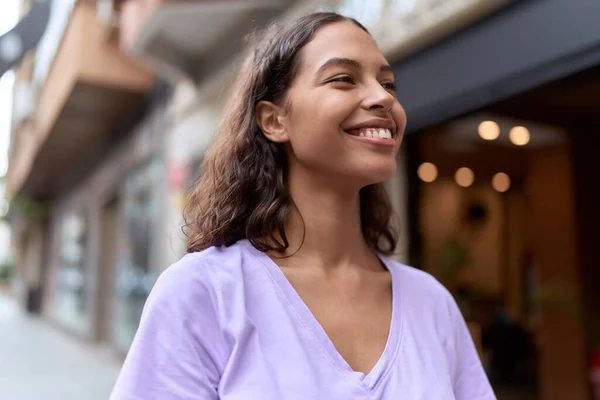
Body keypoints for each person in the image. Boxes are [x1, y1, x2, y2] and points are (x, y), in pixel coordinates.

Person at [110, 12, 495, 400]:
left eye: (388, 83)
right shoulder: (203, 293)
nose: (383, 98)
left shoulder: (432, 303)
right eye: (343, 78)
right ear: (274, 121)